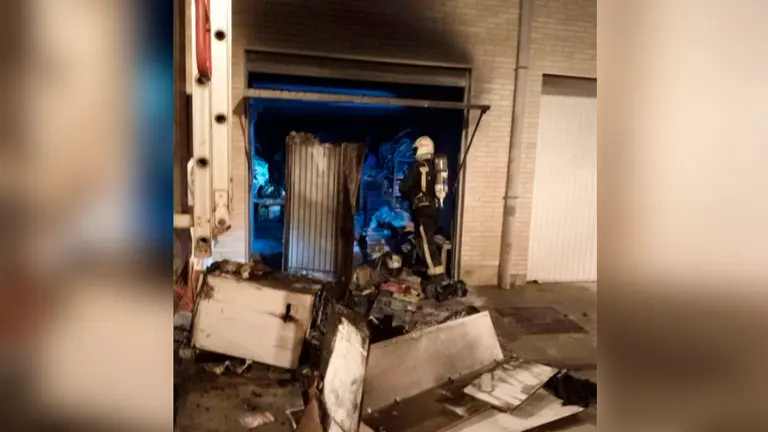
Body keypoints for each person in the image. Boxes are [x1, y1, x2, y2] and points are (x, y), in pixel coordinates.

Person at [398, 136, 448, 286]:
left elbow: (403, 187)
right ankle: (431, 270)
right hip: (432, 209)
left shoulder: (417, 167)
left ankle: (437, 276)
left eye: (415, 149)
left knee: (426, 242)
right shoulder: (433, 167)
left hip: (422, 209)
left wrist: (408, 191)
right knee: (425, 240)